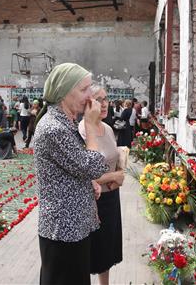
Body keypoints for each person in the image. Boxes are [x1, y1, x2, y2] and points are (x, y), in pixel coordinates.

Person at [32, 62, 108, 285]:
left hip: (72, 226)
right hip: (63, 230)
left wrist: (87, 183)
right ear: (64, 93)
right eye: (84, 89)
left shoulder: (65, 122)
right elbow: (92, 166)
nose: (90, 96)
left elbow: (76, 168)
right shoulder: (54, 128)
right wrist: (92, 126)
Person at [78, 85, 125, 285]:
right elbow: (83, 174)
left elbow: (111, 158)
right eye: (98, 99)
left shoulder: (107, 129)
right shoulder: (82, 130)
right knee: (91, 253)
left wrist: (121, 165)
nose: (104, 104)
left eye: (106, 99)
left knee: (106, 251)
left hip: (111, 199)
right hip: (93, 200)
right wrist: (114, 175)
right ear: (87, 103)